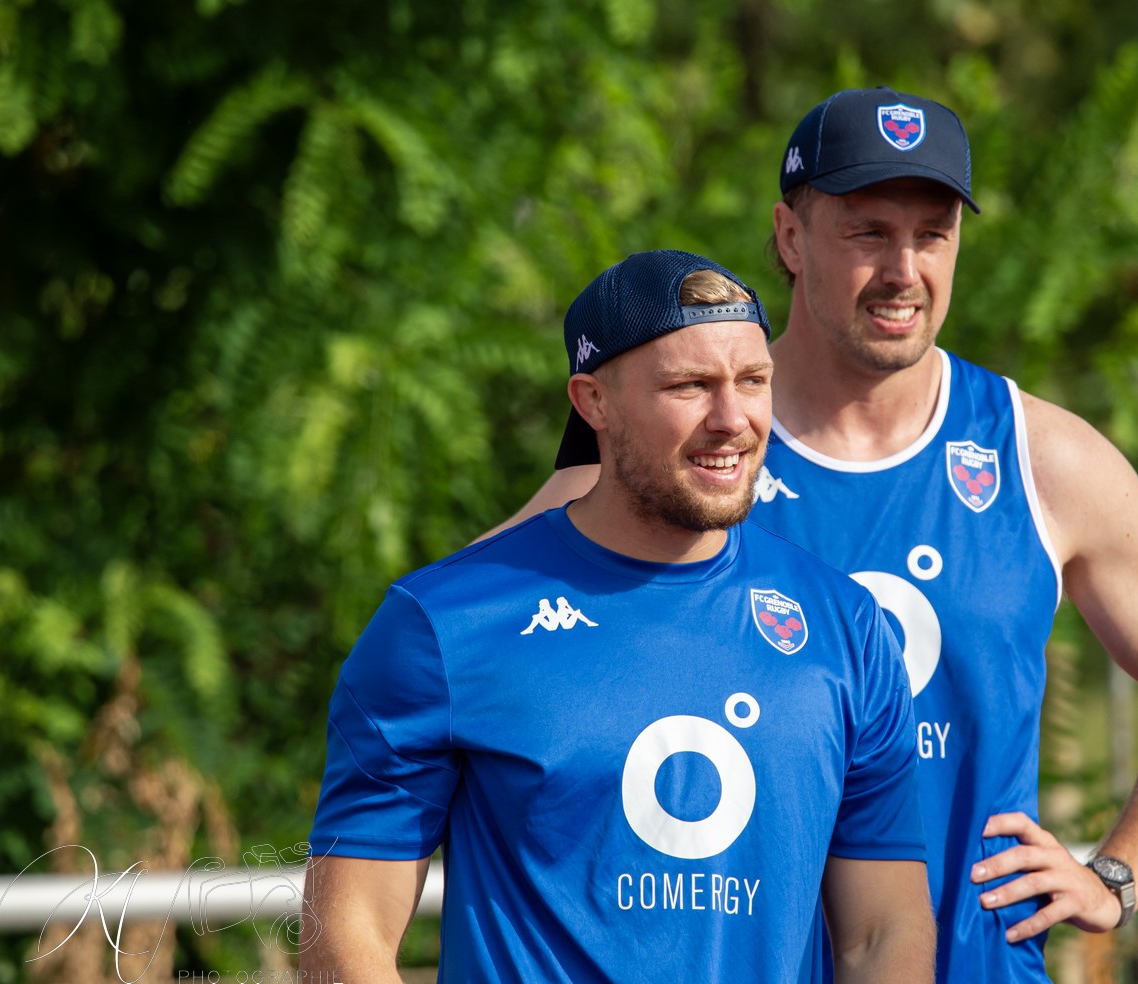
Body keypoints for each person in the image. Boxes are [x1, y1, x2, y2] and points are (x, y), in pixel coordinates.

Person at [482, 88, 1138, 981]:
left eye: (931, 235)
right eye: (867, 233)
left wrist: (1115, 876)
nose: (905, 269)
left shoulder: (1038, 457)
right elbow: (453, 634)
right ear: (788, 238)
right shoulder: (680, 452)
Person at [302, 249, 936, 983]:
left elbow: (881, 935)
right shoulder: (443, 624)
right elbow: (348, 934)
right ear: (592, 402)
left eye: (753, 381)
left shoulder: (847, 627)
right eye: (690, 385)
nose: (732, 420)